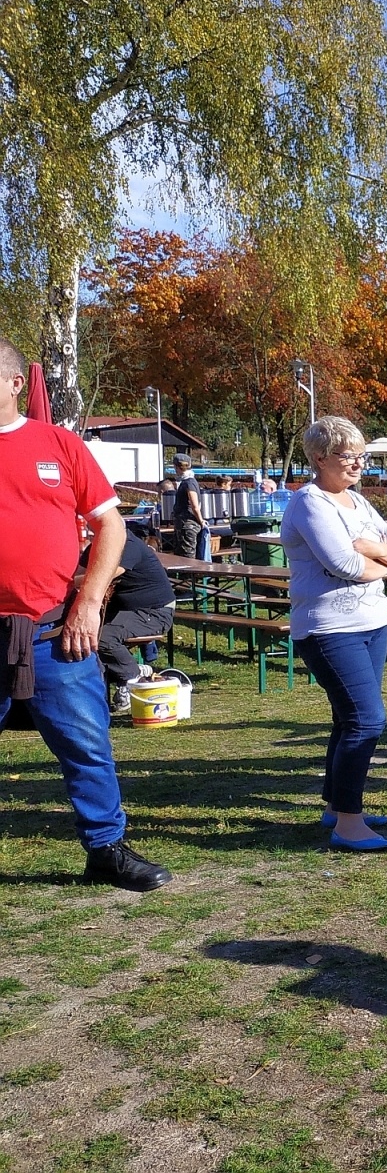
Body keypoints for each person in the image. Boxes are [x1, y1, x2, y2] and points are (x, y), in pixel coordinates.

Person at [0, 338, 169, 891]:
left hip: (54, 632)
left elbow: (111, 525)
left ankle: (106, 850)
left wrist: (90, 604)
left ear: (15, 383)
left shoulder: (59, 443)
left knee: (87, 745)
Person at [281, 418, 387, 851]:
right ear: (320, 458)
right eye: (348, 456)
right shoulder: (310, 503)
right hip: (328, 629)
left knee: (347, 717)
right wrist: (378, 565)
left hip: (372, 624)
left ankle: (338, 807)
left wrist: (372, 551)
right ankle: (349, 825)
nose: (358, 464)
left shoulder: (356, 502)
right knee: (366, 719)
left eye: (361, 455)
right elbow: (344, 566)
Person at [95, 527, 177, 713]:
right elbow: (80, 569)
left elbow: (107, 573)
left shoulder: (129, 545)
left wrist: (67, 583)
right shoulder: (99, 545)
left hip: (155, 612)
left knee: (103, 638)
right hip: (128, 610)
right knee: (88, 633)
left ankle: (133, 676)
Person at [170, 454, 205, 558]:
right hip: (184, 525)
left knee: (187, 558)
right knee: (181, 556)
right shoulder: (188, 481)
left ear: (176, 467)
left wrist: (201, 521)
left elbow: (194, 505)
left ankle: (188, 575)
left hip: (187, 526)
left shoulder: (188, 482)